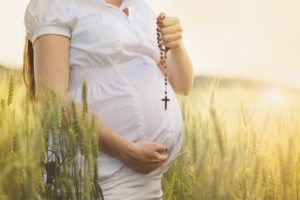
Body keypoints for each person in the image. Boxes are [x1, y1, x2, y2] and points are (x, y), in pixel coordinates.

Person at [23, 0, 194, 199]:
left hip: (148, 184)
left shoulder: (141, 9)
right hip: (99, 178)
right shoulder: (56, 5)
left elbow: (182, 85)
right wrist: (127, 151)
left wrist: (176, 45)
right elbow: (53, 102)